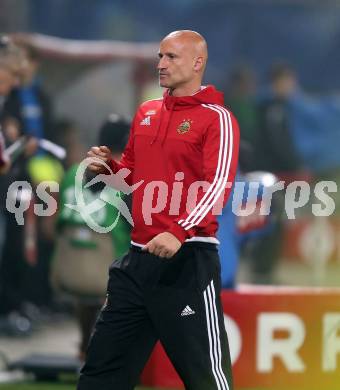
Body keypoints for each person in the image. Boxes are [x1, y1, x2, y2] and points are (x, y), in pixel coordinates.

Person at [78, 30, 239, 390]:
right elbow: (133, 179)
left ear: (198, 63)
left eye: (171, 57)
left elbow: (218, 187)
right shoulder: (146, 111)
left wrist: (179, 231)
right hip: (136, 264)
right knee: (101, 374)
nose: (161, 64)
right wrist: (108, 170)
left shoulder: (217, 118)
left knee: (206, 379)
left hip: (188, 264)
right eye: (160, 56)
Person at [51, 114, 131, 360]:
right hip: (110, 267)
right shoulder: (127, 176)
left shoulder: (73, 171)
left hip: (68, 267)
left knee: (87, 294)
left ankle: (84, 345)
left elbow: (56, 220)